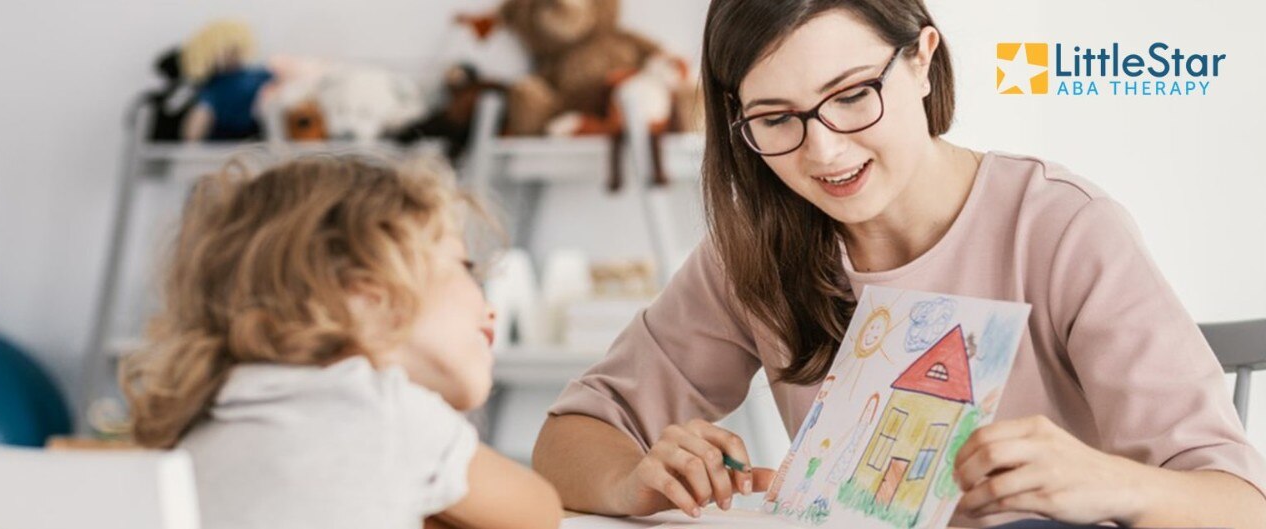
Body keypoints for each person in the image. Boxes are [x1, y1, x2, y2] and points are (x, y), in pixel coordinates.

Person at [530, 0, 1266, 527]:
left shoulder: (1063, 227)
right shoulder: (755, 246)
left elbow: (1239, 505)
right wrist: (633, 478)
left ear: (921, 60)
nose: (825, 151)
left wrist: (1105, 482)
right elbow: (570, 437)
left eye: (852, 96)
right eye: (777, 118)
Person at [120, 155, 562, 529]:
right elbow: (538, 512)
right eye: (465, 267)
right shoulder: (383, 409)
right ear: (365, 293)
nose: (489, 305)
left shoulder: (203, 422)